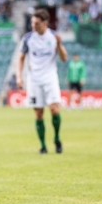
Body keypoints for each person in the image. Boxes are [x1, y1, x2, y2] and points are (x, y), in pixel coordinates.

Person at [16, 9, 68, 154]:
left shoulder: (53, 37)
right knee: (38, 113)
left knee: (54, 110)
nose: (33, 25)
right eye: (32, 22)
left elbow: (64, 58)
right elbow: (20, 58)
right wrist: (19, 77)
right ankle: (43, 146)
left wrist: (59, 45)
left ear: (45, 23)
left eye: (37, 23)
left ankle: (57, 139)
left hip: (50, 77)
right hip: (34, 79)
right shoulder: (28, 38)